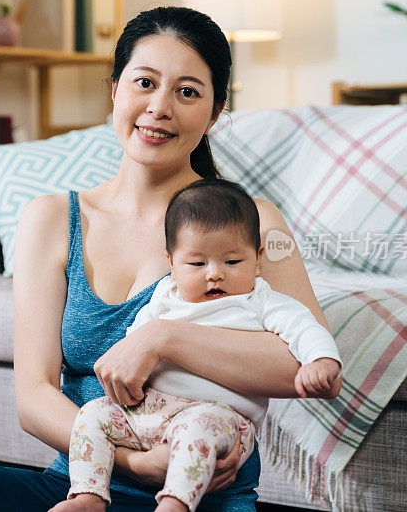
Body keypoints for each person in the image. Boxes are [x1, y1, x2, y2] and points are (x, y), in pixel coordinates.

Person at [0, 6, 342, 511]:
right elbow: (33, 396)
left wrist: (162, 338)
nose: (159, 107)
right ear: (116, 89)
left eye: (188, 92)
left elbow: (301, 364)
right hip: (80, 490)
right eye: (144, 83)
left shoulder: (254, 221)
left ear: (216, 110)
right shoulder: (53, 218)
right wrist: (131, 464)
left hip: (190, 500)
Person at [53, 178, 342, 512]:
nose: (215, 274)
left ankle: (175, 503)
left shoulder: (260, 299)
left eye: (232, 262)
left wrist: (321, 361)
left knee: (196, 431)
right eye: (197, 264)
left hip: (219, 417)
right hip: (151, 410)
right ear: (172, 263)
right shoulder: (165, 295)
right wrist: (130, 373)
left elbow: (305, 328)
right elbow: (134, 343)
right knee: (92, 415)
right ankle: (88, 495)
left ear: (258, 259)